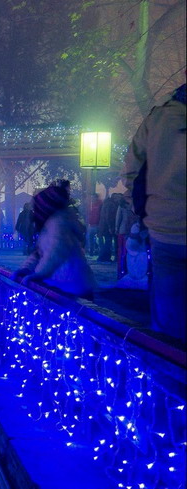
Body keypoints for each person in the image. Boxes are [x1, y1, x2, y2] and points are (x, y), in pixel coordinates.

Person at [121, 83, 186, 342]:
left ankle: (170, 375)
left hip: (164, 229)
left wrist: (143, 215)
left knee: (168, 320)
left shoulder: (158, 119)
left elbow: (131, 172)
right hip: (162, 225)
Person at [14, 182, 97, 299]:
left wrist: (39, 274)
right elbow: (39, 253)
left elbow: (56, 252)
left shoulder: (59, 222)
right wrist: (26, 268)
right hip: (64, 283)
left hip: (71, 285)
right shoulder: (50, 223)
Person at [97, 193, 121, 262]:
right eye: (118, 197)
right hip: (108, 227)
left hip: (105, 226)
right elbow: (108, 216)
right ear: (114, 198)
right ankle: (104, 258)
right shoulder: (111, 204)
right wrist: (110, 227)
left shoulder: (107, 203)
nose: (119, 199)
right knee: (108, 243)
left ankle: (103, 258)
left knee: (108, 243)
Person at [86, 192, 102, 256]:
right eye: (91, 197)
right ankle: (91, 251)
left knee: (99, 238)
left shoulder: (100, 204)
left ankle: (100, 251)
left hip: (97, 224)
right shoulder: (90, 204)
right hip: (91, 225)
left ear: (96, 197)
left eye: (93, 197)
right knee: (90, 239)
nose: (92, 198)